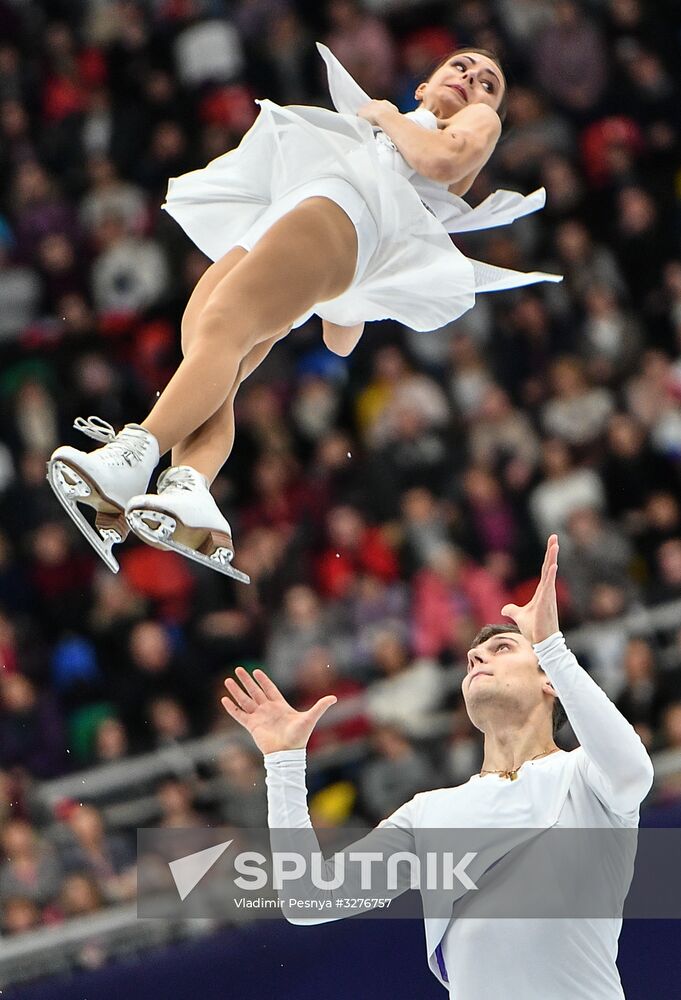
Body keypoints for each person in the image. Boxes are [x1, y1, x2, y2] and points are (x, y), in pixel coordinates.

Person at [46, 45, 559, 580]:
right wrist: (342, 286)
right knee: (208, 343)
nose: (472, 79)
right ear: (423, 86)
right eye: (460, 66)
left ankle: (133, 454)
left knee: (223, 327)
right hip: (294, 217)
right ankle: (190, 488)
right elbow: (340, 333)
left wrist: (385, 115)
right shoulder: (390, 144)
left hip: (338, 215)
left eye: (488, 83)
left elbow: (443, 161)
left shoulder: (468, 124)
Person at [220, 535, 653, 999]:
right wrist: (284, 763)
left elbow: (633, 771)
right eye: (474, 657)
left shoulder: (586, 777)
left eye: (503, 648)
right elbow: (307, 899)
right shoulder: (428, 815)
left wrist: (551, 644)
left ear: (549, 680)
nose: (477, 656)